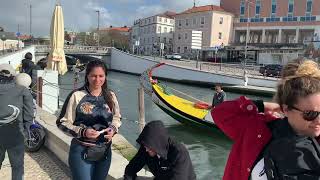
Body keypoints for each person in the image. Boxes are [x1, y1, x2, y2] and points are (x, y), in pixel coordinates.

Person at [211, 60, 320, 180]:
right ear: (286, 108)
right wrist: (263, 105)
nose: (319, 120)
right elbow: (220, 112)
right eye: (310, 114)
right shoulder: (259, 128)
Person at [56, 60, 121, 180]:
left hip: (105, 150)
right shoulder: (76, 95)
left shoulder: (110, 96)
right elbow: (61, 122)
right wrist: (83, 132)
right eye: (93, 76)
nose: (97, 80)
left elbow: (117, 118)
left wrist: (113, 129)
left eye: (101, 76)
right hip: (81, 150)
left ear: (105, 76)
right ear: (87, 76)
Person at [124, 120, 196, 180]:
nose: (146, 150)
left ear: (157, 143)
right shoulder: (147, 148)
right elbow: (130, 169)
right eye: (146, 146)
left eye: (148, 147)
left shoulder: (179, 152)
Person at [0, 64, 34, 180]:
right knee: (17, 166)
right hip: (15, 134)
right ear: (13, 76)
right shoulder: (22, 90)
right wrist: (26, 129)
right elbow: (29, 112)